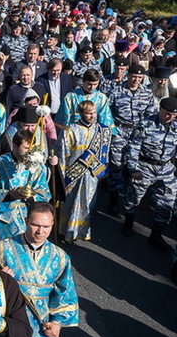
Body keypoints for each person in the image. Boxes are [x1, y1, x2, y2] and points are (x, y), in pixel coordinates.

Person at [0, 202, 79, 337]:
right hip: (9, 317)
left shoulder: (60, 257)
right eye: (35, 225)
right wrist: (0, 279)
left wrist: (57, 322)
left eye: (46, 227)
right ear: (26, 221)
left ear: (53, 224)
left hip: (40, 322)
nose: (40, 232)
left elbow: (65, 292)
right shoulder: (2, 248)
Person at [122, 97, 177, 253]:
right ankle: (128, 221)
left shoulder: (176, 127)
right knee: (134, 198)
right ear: (160, 109)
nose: (170, 117)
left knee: (166, 203)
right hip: (144, 166)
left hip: (165, 169)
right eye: (167, 113)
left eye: (174, 114)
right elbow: (133, 147)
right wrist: (133, 169)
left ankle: (156, 235)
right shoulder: (145, 124)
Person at [0, 130, 51, 240]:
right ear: (14, 145)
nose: (30, 152)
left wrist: (32, 196)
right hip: (1, 219)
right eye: (26, 148)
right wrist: (10, 195)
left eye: (32, 148)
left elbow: (44, 192)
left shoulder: (37, 166)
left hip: (27, 218)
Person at [57, 101, 111, 241]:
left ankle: (81, 232)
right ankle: (64, 232)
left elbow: (103, 153)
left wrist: (102, 171)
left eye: (94, 112)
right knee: (69, 204)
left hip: (91, 175)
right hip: (73, 174)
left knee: (87, 204)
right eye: (88, 113)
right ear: (81, 113)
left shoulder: (102, 130)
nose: (92, 116)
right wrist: (61, 177)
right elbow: (62, 154)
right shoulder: (71, 130)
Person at [105, 63, 155, 207]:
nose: (136, 80)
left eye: (140, 77)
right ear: (128, 75)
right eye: (134, 76)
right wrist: (112, 131)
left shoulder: (147, 93)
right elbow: (107, 113)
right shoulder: (116, 91)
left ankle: (130, 198)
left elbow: (151, 115)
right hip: (120, 132)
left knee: (135, 165)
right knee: (116, 164)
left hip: (138, 134)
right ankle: (114, 196)